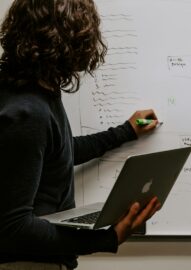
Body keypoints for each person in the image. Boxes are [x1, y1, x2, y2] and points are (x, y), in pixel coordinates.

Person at [0, 0, 162, 269]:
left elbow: (58, 152)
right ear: (70, 41)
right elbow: (11, 229)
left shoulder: (34, 91)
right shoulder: (26, 111)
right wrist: (105, 239)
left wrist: (125, 131)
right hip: (27, 264)